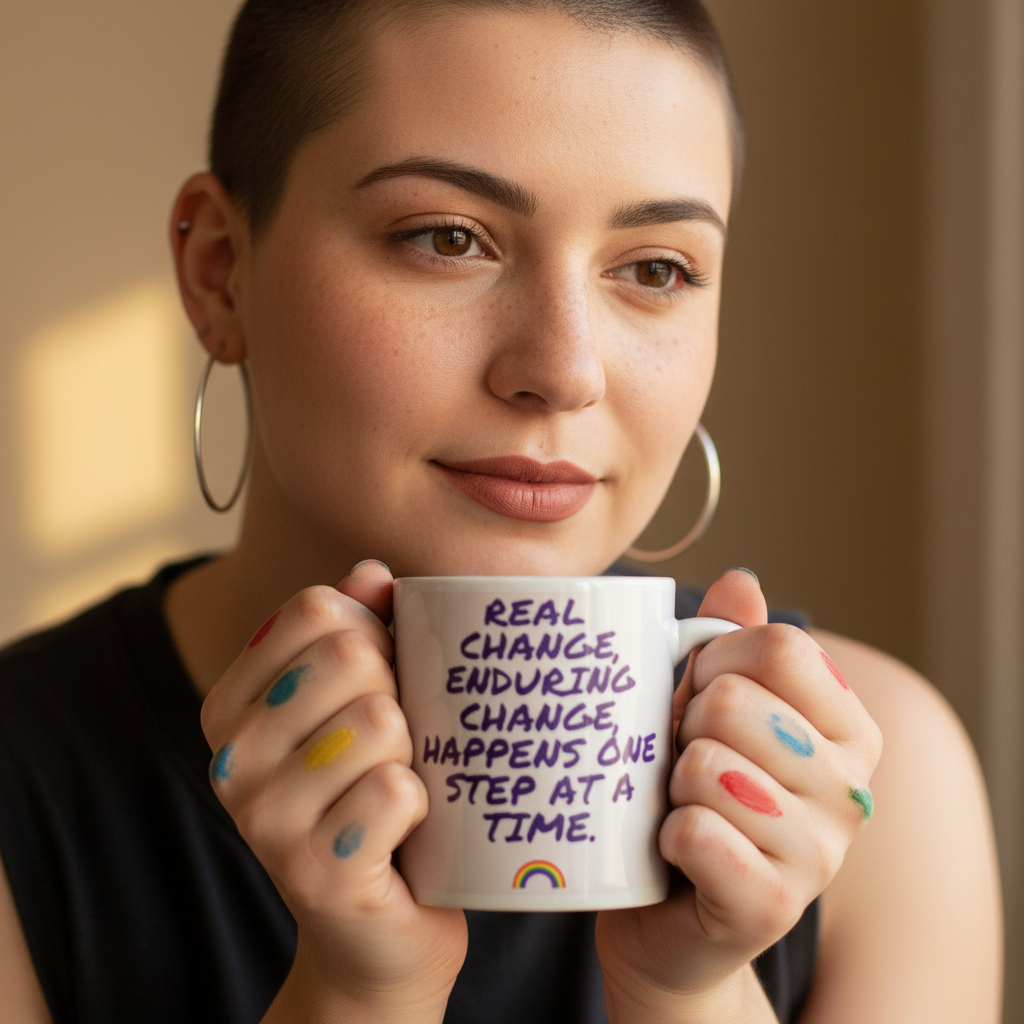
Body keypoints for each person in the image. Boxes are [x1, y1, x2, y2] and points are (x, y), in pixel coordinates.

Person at [0, 1, 1002, 1021]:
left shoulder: (886, 785)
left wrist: (684, 989)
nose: (562, 371)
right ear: (220, 268)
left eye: (655, 269)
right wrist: (357, 994)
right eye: (446, 238)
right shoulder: (27, 789)